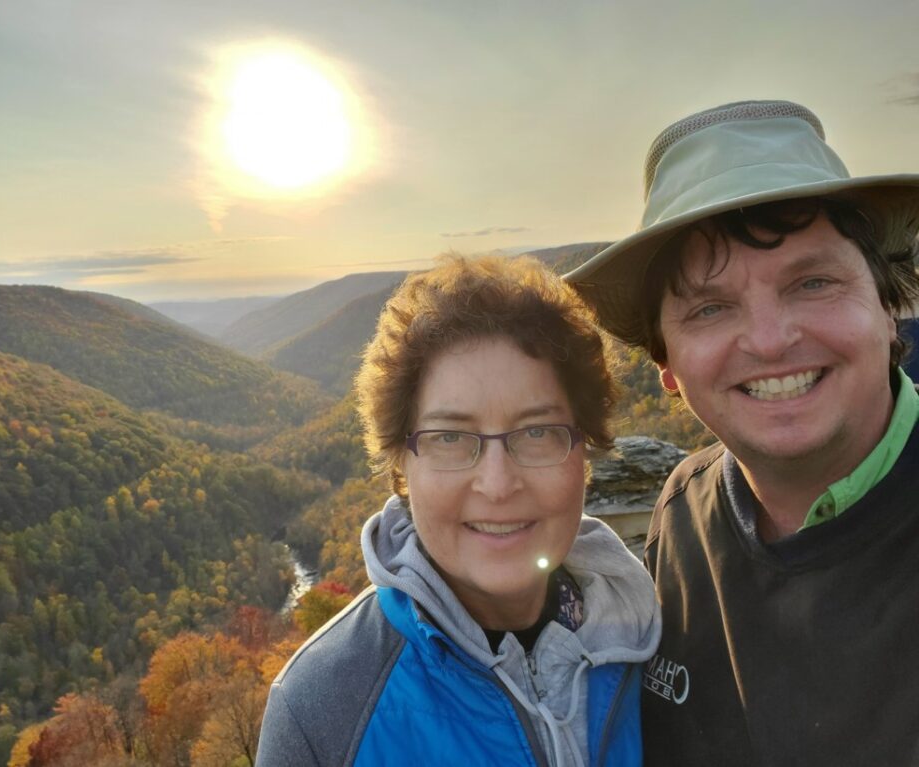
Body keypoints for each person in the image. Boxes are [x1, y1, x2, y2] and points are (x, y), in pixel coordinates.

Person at [566, 100, 919, 766]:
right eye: (709, 307)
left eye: (813, 281)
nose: (768, 339)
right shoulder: (682, 514)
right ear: (666, 364)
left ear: (889, 302)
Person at [256, 255, 661, 767]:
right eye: (450, 437)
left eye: (537, 432)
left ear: (585, 453)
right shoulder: (325, 709)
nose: (497, 484)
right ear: (401, 464)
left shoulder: (661, 651)